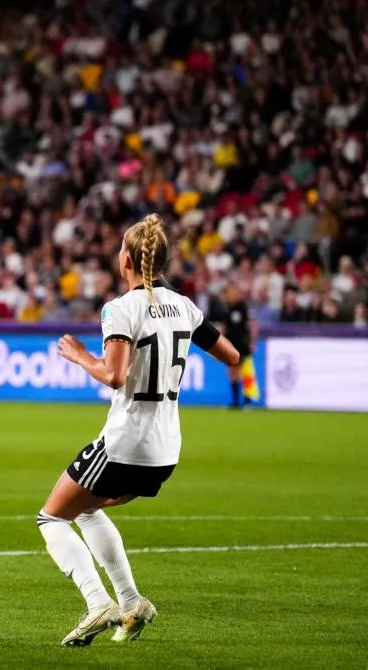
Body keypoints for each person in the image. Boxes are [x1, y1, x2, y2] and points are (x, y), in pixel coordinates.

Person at [42, 214, 240, 647]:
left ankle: (98, 603)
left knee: (52, 517)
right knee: (89, 509)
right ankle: (131, 602)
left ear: (126, 260)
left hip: (125, 442)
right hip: (166, 451)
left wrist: (78, 356)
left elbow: (114, 375)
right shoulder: (186, 307)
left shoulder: (120, 308)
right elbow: (231, 354)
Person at [218, 283, 256, 408]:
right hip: (231, 345)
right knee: (232, 372)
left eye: (233, 292)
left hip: (242, 344)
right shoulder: (227, 309)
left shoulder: (243, 308)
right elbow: (224, 327)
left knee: (243, 372)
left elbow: (252, 324)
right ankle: (235, 401)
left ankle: (247, 399)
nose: (231, 295)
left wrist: (252, 341)